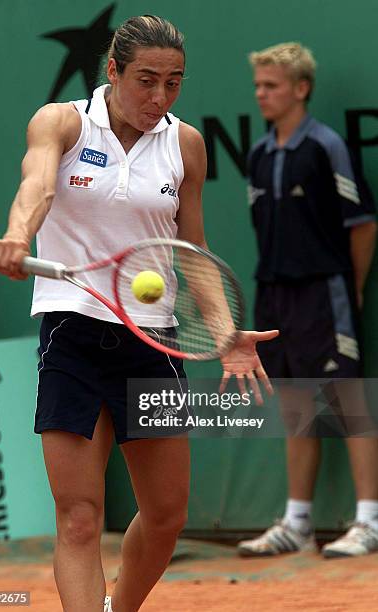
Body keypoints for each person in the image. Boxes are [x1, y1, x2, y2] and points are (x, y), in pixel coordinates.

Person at [0, 15, 277, 612]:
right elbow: (37, 185)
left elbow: (192, 255)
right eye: (146, 79)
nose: (159, 97)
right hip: (71, 334)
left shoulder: (186, 144)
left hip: (152, 342)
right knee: (78, 517)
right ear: (112, 71)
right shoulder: (61, 122)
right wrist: (19, 232)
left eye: (174, 82)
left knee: (168, 515)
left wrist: (225, 332)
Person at [237, 42, 378, 559]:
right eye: (258, 86)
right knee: (296, 404)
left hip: (326, 290)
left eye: (271, 86)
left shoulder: (326, 146)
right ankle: (298, 523)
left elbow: (362, 225)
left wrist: (351, 285)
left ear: (301, 89)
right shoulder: (256, 153)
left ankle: (370, 520)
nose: (261, 95)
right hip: (274, 292)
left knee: (348, 403)